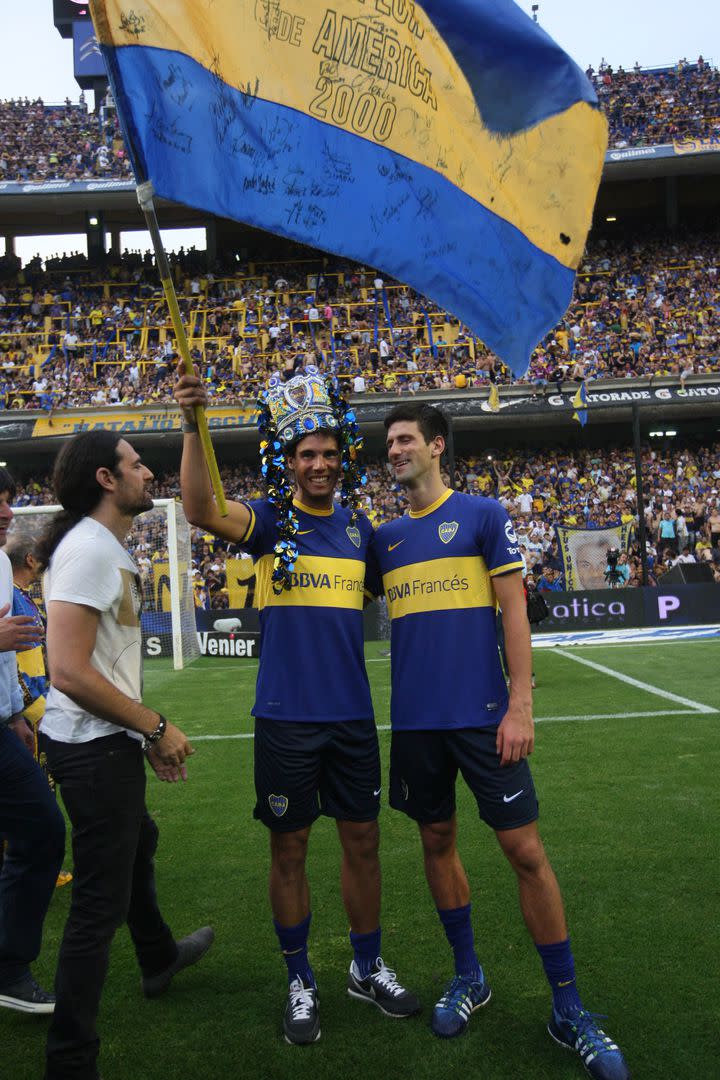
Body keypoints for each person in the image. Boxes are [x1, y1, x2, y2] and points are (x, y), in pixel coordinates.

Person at [371, 403, 629, 1080]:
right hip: (418, 724)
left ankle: (568, 1008)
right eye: (388, 442)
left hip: (485, 719)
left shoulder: (483, 516)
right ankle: (469, 977)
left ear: (435, 446)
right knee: (435, 840)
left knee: (525, 851)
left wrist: (521, 704)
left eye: (404, 440)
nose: (392, 450)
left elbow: (515, 610)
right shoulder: (385, 538)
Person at [174, 363, 419, 1045]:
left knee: (363, 842)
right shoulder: (271, 521)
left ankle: (365, 967)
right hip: (285, 718)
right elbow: (199, 508)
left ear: (344, 458)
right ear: (289, 459)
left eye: (329, 453)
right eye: (307, 454)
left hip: (351, 719)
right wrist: (193, 423)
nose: (319, 464)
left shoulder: (362, 533)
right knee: (289, 851)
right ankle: (300, 979)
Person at [39, 431, 214, 1080]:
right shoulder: (88, 549)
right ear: (108, 480)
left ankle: (158, 954)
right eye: (137, 463)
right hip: (90, 749)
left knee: (139, 843)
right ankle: (70, 1059)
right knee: (96, 905)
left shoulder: (101, 547)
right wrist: (156, 726)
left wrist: (137, 733)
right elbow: (68, 670)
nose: (149, 472)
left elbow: (103, 665)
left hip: (99, 742)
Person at [0, 468, 66, 1015]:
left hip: (2, 726)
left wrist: (14, 712)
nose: (6, 513)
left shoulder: (1, 563)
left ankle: (9, 965)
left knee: (40, 829)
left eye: (6, 501)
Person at [8, 526, 73, 888]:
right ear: (31, 560)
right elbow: (18, 664)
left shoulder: (22, 596)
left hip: (32, 707)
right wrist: (34, 706)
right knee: (36, 795)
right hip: (29, 715)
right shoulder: (16, 600)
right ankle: (34, 868)